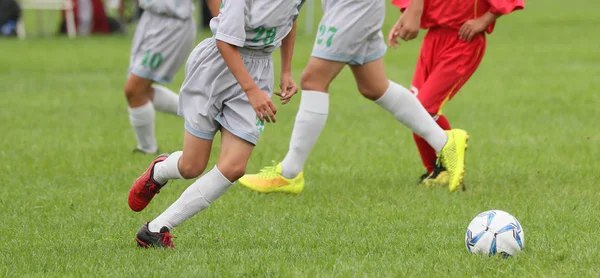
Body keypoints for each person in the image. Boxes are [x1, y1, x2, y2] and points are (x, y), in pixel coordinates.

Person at [238, 0, 469, 194]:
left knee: (313, 80)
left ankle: (289, 173)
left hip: (354, 5)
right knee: (373, 86)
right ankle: (444, 141)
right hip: (346, 6)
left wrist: (415, 8)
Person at [128, 0, 305, 248]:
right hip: (217, 67)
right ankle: (159, 171)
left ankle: (155, 230)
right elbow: (224, 41)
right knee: (192, 166)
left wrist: (286, 71)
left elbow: (290, 18)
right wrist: (251, 90)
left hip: (259, 68)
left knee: (234, 167)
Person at [388, 0, 524, 187]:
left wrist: (485, 19)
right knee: (414, 110)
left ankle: (449, 159)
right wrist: (405, 17)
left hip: (463, 39)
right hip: (434, 37)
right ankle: (437, 172)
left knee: (425, 109)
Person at [124, 0, 219, 154]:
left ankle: (147, 149)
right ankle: (202, 114)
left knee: (134, 89)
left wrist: (223, 28)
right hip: (150, 18)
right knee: (140, 92)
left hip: (172, 25)